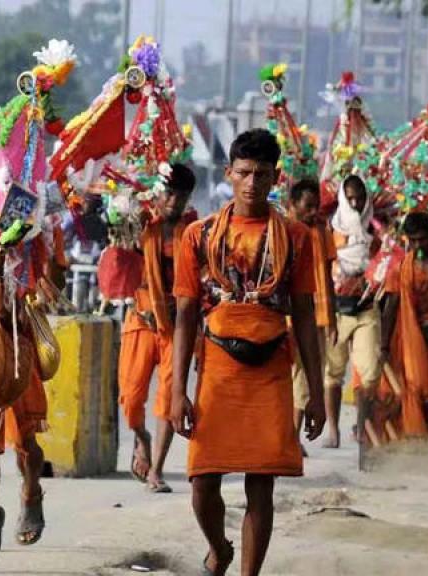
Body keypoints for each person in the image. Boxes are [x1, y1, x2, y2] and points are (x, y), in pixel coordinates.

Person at [170, 129, 326, 576]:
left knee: (262, 485)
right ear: (229, 174)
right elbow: (185, 316)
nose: (252, 183)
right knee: (202, 481)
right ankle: (219, 548)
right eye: (243, 172)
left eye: (261, 174)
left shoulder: (296, 237)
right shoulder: (199, 236)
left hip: (272, 365)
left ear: (275, 177)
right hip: (218, 366)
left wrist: (315, 393)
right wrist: (178, 391)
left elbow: (305, 315)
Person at [0, 224, 68, 562]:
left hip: (15, 342)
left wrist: (35, 257)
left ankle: (31, 492)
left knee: (25, 441)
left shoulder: (33, 223)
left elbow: (55, 280)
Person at [119, 163, 197, 493]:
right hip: (141, 320)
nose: (173, 201)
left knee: (169, 398)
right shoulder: (139, 223)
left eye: (181, 196)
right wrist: (122, 223)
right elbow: (118, 263)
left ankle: (157, 470)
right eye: (169, 193)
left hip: (176, 327)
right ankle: (141, 437)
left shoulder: (193, 231)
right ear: (158, 192)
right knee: (130, 398)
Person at [380, 212, 428, 449]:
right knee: (415, 388)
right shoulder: (400, 268)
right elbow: (391, 306)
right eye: (412, 240)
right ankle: (418, 438)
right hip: (413, 339)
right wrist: (383, 346)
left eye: (422, 239)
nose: (417, 245)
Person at [322, 174, 381, 448]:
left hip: (366, 309)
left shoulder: (377, 230)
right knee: (333, 373)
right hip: (337, 310)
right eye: (350, 198)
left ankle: (361, 426)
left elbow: (383, 263)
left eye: (359, 197)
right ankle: (333, 430)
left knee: (369, 373)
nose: (356, 203)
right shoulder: (331, 229)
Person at [285, 178, 336, 445]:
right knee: (292, 380)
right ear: (292, 204)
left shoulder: (321, 231)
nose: (313, 212)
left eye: (316, 206)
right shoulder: (281, 230)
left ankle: (291, 442)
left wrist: (333, 319)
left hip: (316, 314)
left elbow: (328, 275)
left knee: (305, 379)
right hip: (285, 317)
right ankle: (288, 443)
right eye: (308, 206)